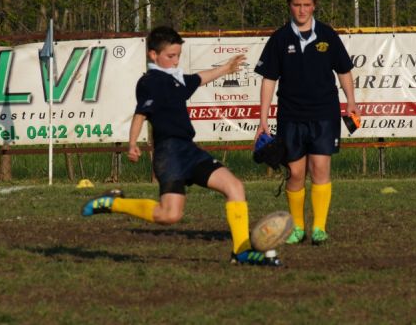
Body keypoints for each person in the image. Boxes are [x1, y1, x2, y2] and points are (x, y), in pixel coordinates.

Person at [81, 25, 281, 266]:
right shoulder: (150, 82)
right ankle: (114, 203)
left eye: (178, 55)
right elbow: (140, 114)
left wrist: (227, 68)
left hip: (189, 150)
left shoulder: (175, 80)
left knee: (235, 187)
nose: (176, 61)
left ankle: (242, 251)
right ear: (153, 55)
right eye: (170, 56)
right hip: (169, 154)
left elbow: (199, 78)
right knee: (169, 215)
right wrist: (133, 143)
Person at [254, 0, 359, 246]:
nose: (302, 10)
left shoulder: (327, 35)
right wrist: (263, 119)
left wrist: (351, 101)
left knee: (320, 167)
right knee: (296, 173)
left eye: (307, 5)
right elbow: (268, 80)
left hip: (324, 113)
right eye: (297, 5)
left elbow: (344, 70)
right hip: (290, 115)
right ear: (290, 5)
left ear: (314, 6)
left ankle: (319, 228)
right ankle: (297, 227)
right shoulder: (279, 39)